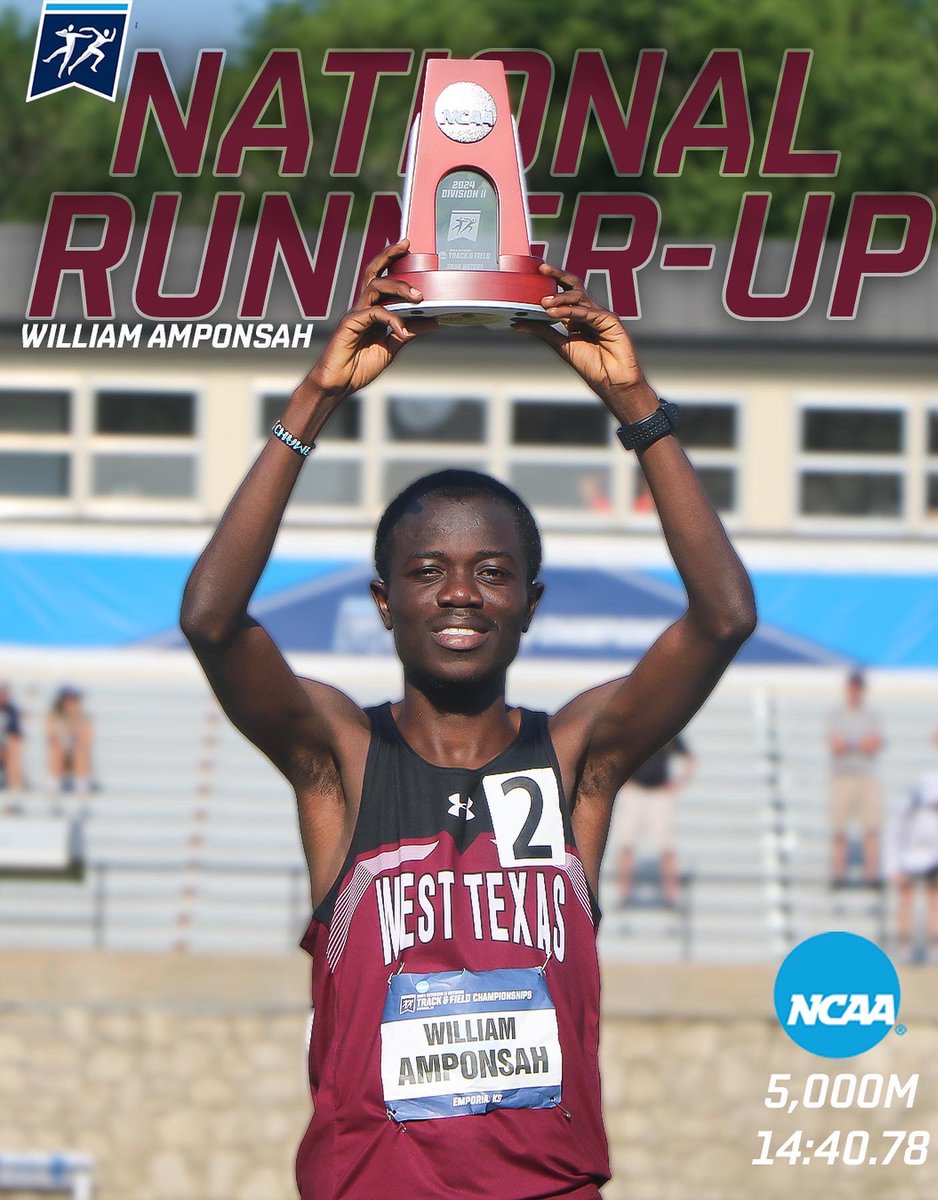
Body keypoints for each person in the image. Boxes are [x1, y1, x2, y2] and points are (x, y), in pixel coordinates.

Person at [180, 241, 756, 1200]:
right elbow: (210, 621)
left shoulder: (576, 759)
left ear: (528, 604)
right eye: (428, 570)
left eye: (492, 572)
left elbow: (724, 617)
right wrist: (315, 399)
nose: (460, 594)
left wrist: (636, 406)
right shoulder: (341, 759)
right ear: (382, 600)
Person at [613, 734, 695, 908]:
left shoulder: (669, 730)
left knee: (666, 846)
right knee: (626, 844)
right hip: (635, 791)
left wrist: (678, 784)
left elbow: (690, 758)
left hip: (659, 794)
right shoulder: (634, 729)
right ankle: (623, 893)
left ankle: (671, 895)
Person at [887, 771, 938, 964]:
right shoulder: (908, 809)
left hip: (934, 860)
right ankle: (905, 949)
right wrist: (894, 867)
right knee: (905, 902)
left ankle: (935, 951)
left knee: (934, 903)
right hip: (908, 859)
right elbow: (894, 838)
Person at [826, 670, 884, 887]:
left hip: (866, 776)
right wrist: (859, 744)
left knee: (871, 827)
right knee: (839, 828)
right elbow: (835, 745)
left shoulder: (871, 715)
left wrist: (850, 744)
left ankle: (872, 875)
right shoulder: (836, 714)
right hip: (842, 776)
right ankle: (838, 875)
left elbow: (875, 744)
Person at [46, 686, 95, 794]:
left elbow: (87, 739)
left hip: (77, 755)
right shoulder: (53, 717)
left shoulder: (84, 717)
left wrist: (74, 720)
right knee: (57, 751)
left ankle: (82, 788)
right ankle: (53, 787)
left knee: (80, 752)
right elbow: (52, 737)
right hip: (60, 755)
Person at [0, 682, 25, 793]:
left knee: (13, 749)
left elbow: (15, 733)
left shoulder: (12, 710)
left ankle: (14, 788)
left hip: (6, 750)